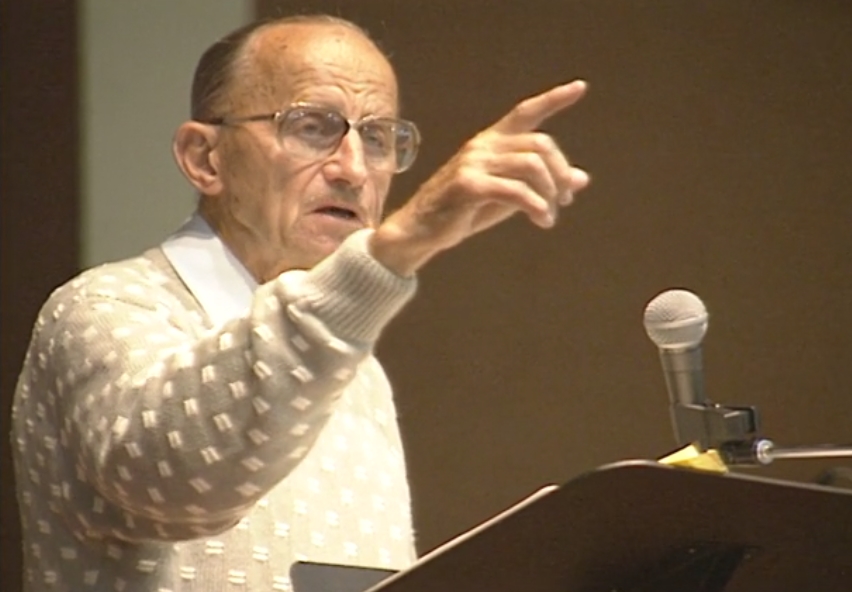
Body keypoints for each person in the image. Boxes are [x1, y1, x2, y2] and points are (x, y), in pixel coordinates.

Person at [11, 12, 590, 592]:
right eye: (313, 128)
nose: (354, 170)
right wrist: (400, 243)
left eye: (378, 137)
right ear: (204, 158)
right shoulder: (105, 307)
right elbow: (178, 484)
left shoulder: (354, 366)